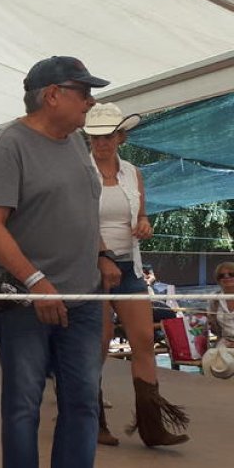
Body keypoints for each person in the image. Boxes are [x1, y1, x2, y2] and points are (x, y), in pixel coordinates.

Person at [0, 56, 122, 468]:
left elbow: (79, 208)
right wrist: (36, 282)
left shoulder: (76, 141)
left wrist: (101, 254)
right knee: (23, 406)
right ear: (52, 96)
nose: (91, 102)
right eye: (84, 92)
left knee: (83, 404)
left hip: (83, 298)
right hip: (24, 299)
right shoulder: (9, 146)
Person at [84, 103, 188, 447]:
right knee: (96, 344)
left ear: (120, 136)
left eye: (108, 136)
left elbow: (140, 215)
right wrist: (102, 257)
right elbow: (79, 221)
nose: (102, 142)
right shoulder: (80, 171)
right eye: (96, 136)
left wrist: (144, 225)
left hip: (129, 265)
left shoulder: (132, 172)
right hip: (90, 265)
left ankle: (151, 423)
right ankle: (92, 420)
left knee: (143, 340)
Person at [208, 262, 234, 346]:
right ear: (218, 280)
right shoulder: (214, 299)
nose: (226, 277)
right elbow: (213, 328)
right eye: (221, 275)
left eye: (231, 274)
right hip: (225, 343)